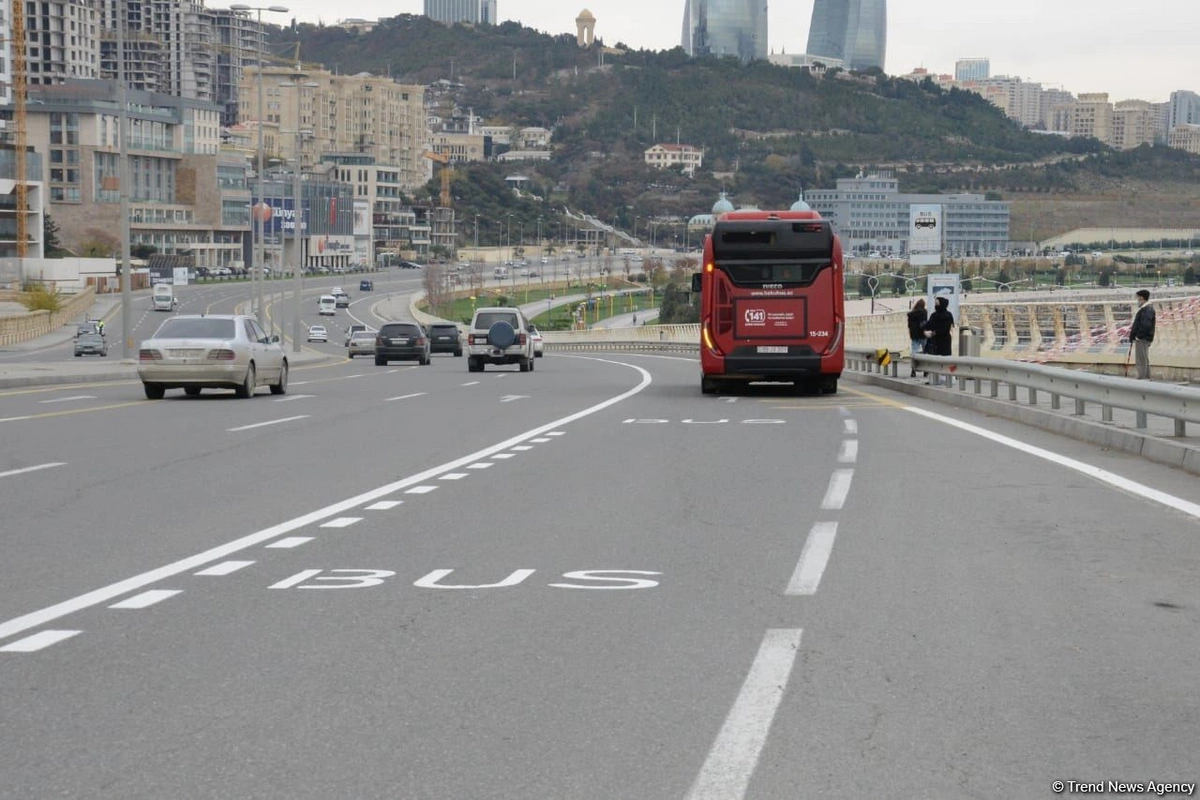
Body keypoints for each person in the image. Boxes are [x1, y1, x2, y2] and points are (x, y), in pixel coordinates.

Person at [922, 296, 955, 386]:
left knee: (945, 359)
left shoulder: (948, 315)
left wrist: (932, 333)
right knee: (934, 360)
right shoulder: (934, 315)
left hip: (944, 341)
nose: (936, 306)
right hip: (934, 342)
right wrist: (925, 331)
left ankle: (948, 378)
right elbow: (928, 325)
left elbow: (944, 329)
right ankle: (934, 379)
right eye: (935, 304)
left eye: (937, 304)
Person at [1129, 289, 1155, 380]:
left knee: (1141, 359)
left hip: (1143, 338)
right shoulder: (1146, 309)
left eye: (1138, 298)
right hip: (1144, 337)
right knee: (1144, 357)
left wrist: (1138, 336)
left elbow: (1146, 325)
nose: (1137, 300)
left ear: (1141, 298)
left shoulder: (1147, 309)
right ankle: (1147, 376)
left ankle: (1142, 377)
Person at [906, 298, 928, 378]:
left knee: (914, 353)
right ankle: (925, 371)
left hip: (914, 336)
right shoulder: (925, 313)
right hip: (923, 335)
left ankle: (913, 370)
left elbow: (909, 326)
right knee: (925, 352)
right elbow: (925, 323)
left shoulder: (911, 314)